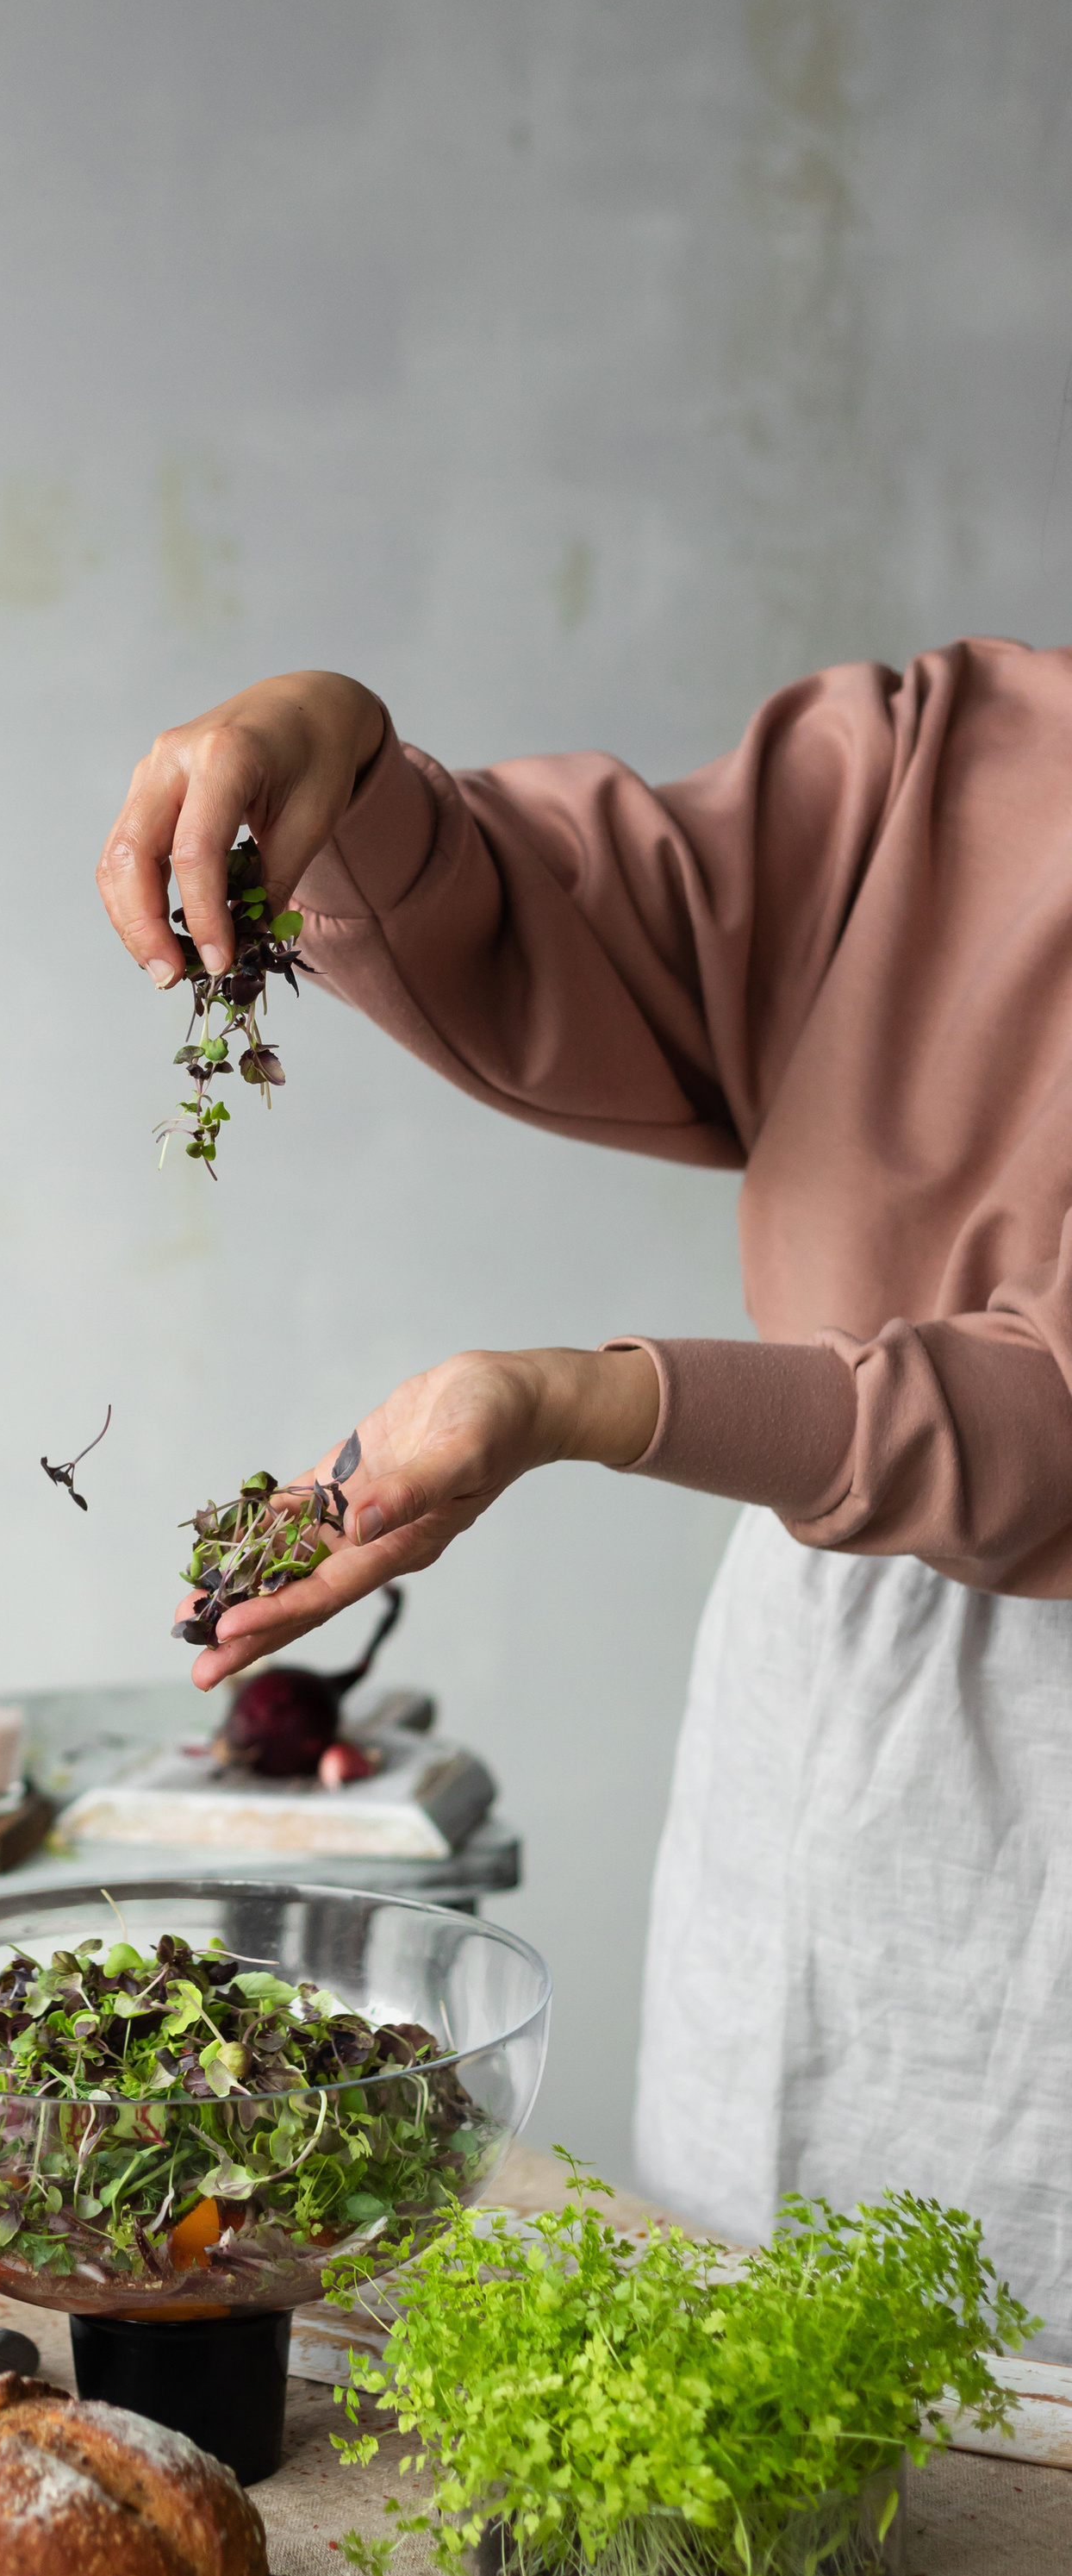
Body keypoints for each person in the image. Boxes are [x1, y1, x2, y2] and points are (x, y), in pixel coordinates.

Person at [97, 641, 1072, 2341]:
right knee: (766, 2342)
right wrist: (344, 759)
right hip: (830, 1679)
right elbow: (586, 940)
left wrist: (582, 1399)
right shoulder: (954, 747)